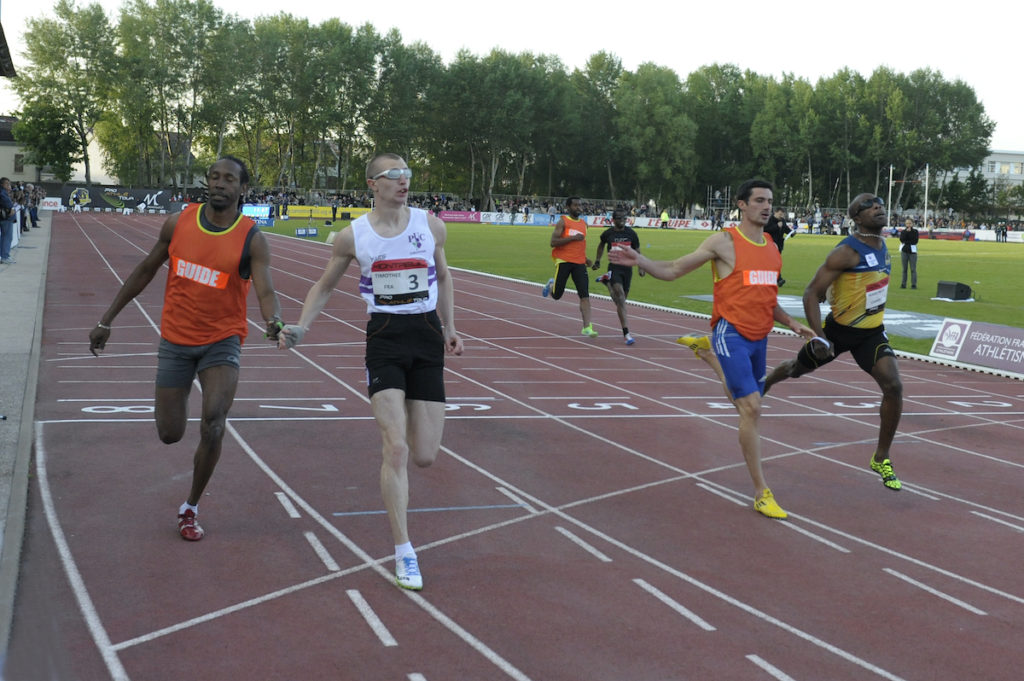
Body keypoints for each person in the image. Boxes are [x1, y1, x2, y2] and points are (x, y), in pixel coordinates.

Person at [278, 153, 463, 591]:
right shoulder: (352, 236)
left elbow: (444, 274)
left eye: (407, 175)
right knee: (395, 447)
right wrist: (302, 326)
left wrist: (451, 328)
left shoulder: (431, 225)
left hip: (425, 335)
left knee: (424, 455)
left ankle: (403, 534)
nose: (404, 182)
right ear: (372, 184)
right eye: (393, 176)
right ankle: (404, 552)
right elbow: (324, 285)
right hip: (384, 338)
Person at [88, 156, 284, 541]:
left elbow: (266, 290)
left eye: (229, 179)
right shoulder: (179, 222)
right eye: (214, 177)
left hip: (222, 340)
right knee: (169, 434)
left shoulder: (251, 239)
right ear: (206, 182)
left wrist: (274, 322)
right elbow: (145, 269)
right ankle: (175, 413)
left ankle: (190, 506)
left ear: (243, 189)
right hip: (176, 340)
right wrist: (106, 319)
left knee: (213, 422)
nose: (219, 184)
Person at [610, 179, 814, 519]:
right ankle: (762, 493)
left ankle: (707, 355)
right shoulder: (724, 242)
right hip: (730, 331)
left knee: (744, 402)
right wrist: (640, 260)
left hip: (760, 336)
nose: (767, 207)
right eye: (760, 200)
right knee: (751, 408)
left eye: (770, 201)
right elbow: (674, 269)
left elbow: (767, 296)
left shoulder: (773, 248)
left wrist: (790, 322)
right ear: (742, 205)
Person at [764, 193, 904, 492]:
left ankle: (881, 457)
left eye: (880, 204)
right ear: (856, 218)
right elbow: (811, 293)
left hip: (871, 333)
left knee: (893, 386)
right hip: (838, 333)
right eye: (870, 207)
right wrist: (818, 336)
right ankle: (766, 383)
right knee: (795, 369)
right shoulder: (846, 252)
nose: (879, 208)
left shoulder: (883, 245)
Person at [541, 196, 597, 337]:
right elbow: (553, 242)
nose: (578, 207)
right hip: (564, 261)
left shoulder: (584, 224)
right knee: (557, 295)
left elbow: (579, 246)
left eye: (580, 205)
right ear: (568, 207)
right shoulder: (563, 222)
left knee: (584, 295)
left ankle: (587, 327)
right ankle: (551, 284)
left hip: (579, 263)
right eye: (575, 205)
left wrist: (586, 260)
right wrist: (572, 237)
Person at [592, 208, 645, 345]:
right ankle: (626, 333)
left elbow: (638, 251)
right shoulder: (608, 233)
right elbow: (601, 245)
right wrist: (598, 260)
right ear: (614, 220)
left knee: (620, 301)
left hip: (627, 270)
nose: (622, 221)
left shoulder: (631, 233)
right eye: (619, 218)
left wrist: (641, 266)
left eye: (624, 218)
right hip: (614, 267)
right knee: (620, 298)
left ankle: (606, 282)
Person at [763, 208, 791, 285]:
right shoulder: (769, 220)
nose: (781, 216)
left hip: (779, 244)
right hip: (770, 244)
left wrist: (791, 232)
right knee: (774, 262)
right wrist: (777, 226)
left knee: (775, 262)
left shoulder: (782, 221)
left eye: (782, 214)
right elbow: (765, 230)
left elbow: (785, 228)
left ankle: (776, 278)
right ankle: (778, 279)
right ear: (775, 212)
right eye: (780, 214)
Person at [899, 217, 919, 289]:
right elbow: (902, 240)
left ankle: (913, 284)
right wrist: (907, 233)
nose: (908, 225)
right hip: (904, 252)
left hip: (913, 252)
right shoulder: (903, 232)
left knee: (913, 269)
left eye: (910, 223)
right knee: (904, 269)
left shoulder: (915, 232)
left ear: (912, 224)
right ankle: (903, 284)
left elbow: (915, 241)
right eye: (907, 223)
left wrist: (907, 240)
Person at [0, 178, 16, 264]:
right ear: (2, 184)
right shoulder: (2, 193)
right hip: (6, 218)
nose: (9, 186)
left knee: (4, 237)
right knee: (7, 237)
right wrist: (11, 208)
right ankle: (5, 256)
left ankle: (4, 255)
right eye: (7, 184)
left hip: (4, 217)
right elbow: (9, 204)